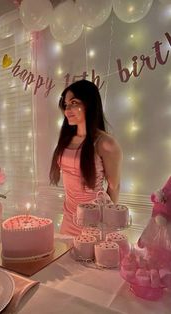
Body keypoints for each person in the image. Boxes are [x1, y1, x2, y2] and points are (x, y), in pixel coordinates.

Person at [49, 80, 123, 236]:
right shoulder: (67, 139)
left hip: (94, 219)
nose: (67, 109)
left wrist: (106, 222)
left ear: (89, 104)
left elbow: (114, 186)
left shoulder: (105, 143)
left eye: (74, 103)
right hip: (69, 217)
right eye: (66, 104)